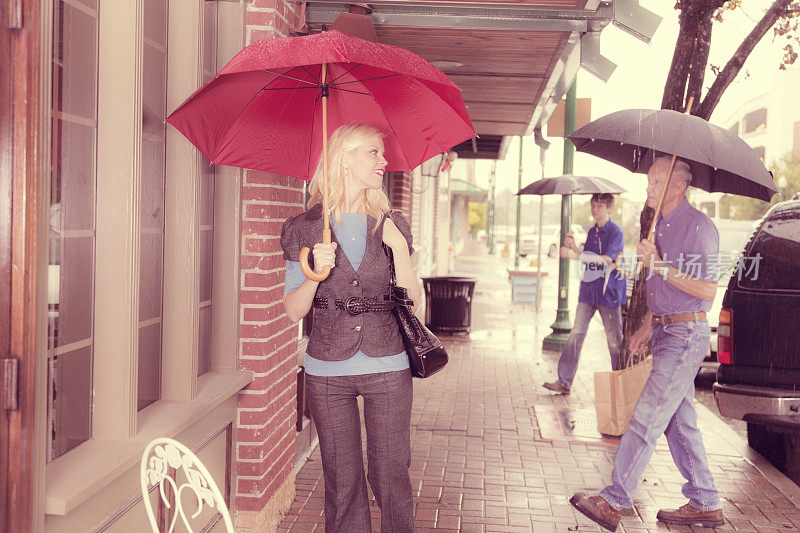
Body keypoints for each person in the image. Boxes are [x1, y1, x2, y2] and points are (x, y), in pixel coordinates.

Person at [570, 157, 723, 531]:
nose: (649, 188)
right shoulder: (660, 225)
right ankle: (705, 500)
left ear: (678, 187)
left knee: (648, 415)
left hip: (687, 337)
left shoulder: (699, 227)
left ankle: (614, 500)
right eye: (650, 181)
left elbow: (706, 289)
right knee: (679, 423)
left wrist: (659, 265)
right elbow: (664, 291)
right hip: (666, 331)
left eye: (656, 182)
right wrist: (645, 326)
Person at [280, 124, 419, 533]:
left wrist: (398, 250)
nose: (384, 161)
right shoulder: (306, 228)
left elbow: (416, 303)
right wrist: (314, 275)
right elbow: (292, 311)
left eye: (381, 154)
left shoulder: (392, 225)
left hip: (388, 366)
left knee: (392, 478)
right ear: (344, 158)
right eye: (373, 153)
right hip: (326, 371)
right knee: (342, 485)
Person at [543, 193, 625, 395]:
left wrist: (576, 254)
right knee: (575, 336)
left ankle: (622, 384)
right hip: (588, 293)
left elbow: (607, 260)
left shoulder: (616, 232)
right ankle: (564, 381)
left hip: (609, 293)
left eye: (599, 206)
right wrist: (573, 247)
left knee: (614, 342)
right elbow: (587, 258)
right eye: (593, 205)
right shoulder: (592, 232)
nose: (594, 209)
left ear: (609, 208)